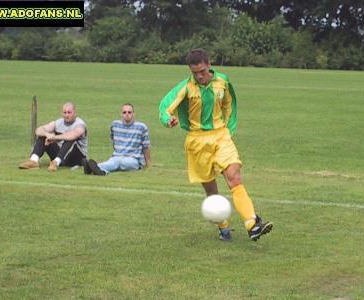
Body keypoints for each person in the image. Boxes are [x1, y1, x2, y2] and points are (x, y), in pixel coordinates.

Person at [159, 48, 273, 241]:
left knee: (234, 176)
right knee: (211, 190)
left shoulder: (223, 82)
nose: (200, 76)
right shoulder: (186, 87)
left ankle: (252, 223)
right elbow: (165, 107)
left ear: (209, 64)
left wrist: (228, 129)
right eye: (195, 73)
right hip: (197, 141)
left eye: (202, 71)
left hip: (221, 136)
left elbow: (230, 104)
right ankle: (223, 226)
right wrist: (167, 120)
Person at [83, 103, 150, 176]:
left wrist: (147, 164)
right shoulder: (115, 125)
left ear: (133, 114)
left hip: (134, 159)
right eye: (124, 112)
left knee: (120, 162)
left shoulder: (141, 127)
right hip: (117, 156)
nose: (127, 114)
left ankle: (95, 168)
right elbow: (114, 140)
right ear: (121, 114)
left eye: (129, 112)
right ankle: (98, 169)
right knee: (112, 162)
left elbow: (146, 147)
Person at [19, 101, 87, 172]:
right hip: (61, 155)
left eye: (69, 112)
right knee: (43, 136)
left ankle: (56, 162)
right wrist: (47, 135)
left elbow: (74, 135)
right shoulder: (58, 122)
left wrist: (54, 138)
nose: (66, 115)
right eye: (65, 112)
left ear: (75, 113)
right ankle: (33, 161)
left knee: (70, 138)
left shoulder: (80, 124)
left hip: (76, 158)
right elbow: (38, 130)